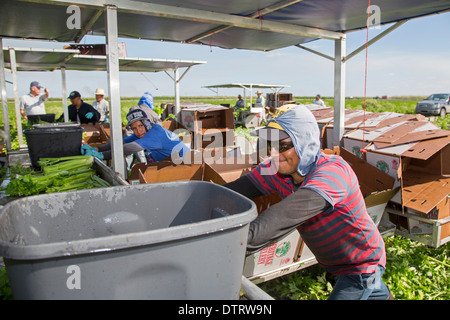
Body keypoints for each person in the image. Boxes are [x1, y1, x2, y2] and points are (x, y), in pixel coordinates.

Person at [224, 104, 391, 300]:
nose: (274, 153)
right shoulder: (275, 170)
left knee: (361, 286)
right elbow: (231, 193)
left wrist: (228, 244)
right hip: (335, 263)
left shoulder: (333, 173)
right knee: (372, 294)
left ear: (305, 142)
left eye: (283, 145)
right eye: (270, 144)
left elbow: (284, 217)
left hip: (361, 266)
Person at [81, 108, 190, 165]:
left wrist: (101, 155)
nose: (138, 130)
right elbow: (123, 143)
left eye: (140, 125)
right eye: (134, 128)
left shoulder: (155, 133)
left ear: (147, 123)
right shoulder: (143, 133)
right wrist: (97, 148)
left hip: (188, 163)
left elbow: (128, 148)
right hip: (174, 163)